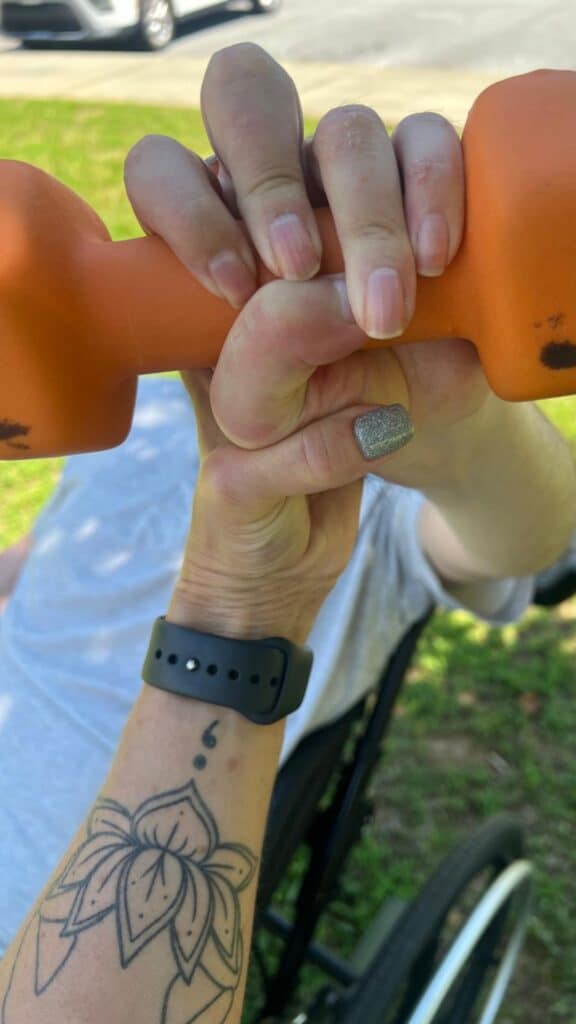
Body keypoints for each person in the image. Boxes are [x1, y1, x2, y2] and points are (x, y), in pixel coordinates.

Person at [1, 41, 576, 1024]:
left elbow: (530, 531)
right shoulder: (125, 396)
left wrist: (464, 422)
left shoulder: (367, 466)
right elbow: (48, 570)